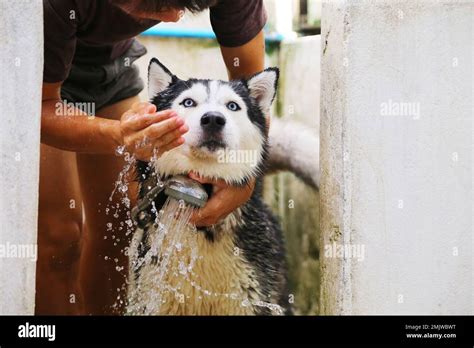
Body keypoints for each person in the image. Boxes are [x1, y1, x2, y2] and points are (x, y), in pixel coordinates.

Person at [39, 0, 268, 315]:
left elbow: (255, 99)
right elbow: (37, 105)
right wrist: (120, 134)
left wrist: (247, 181)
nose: (174, 18)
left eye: (187, 6)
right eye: (163, 3)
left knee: (120, 225)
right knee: (58, 238)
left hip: (110, 68)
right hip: (36, 79)